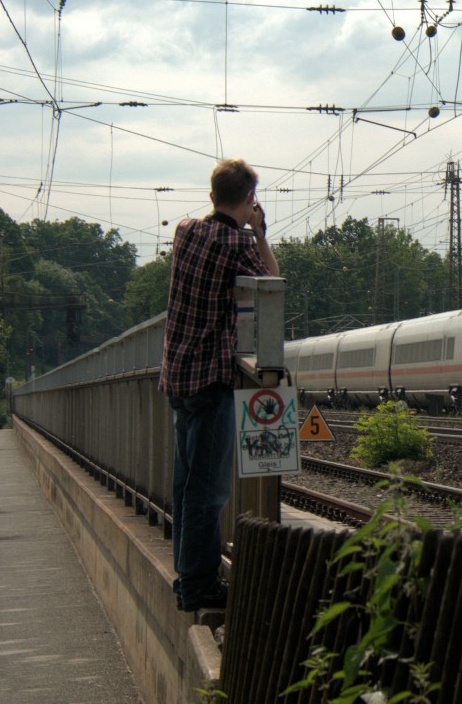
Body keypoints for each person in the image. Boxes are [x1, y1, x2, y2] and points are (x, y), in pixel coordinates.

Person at [159, 158, 279, 611]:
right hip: (212, 378)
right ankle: (198, 585)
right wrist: (260, 232)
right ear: (251, 199)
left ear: (211, 195)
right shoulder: (238, 244)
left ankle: (186, 575)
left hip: (177, 375)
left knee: (185, 482)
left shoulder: (186, 230)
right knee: (208, 491)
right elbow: (271, 284)